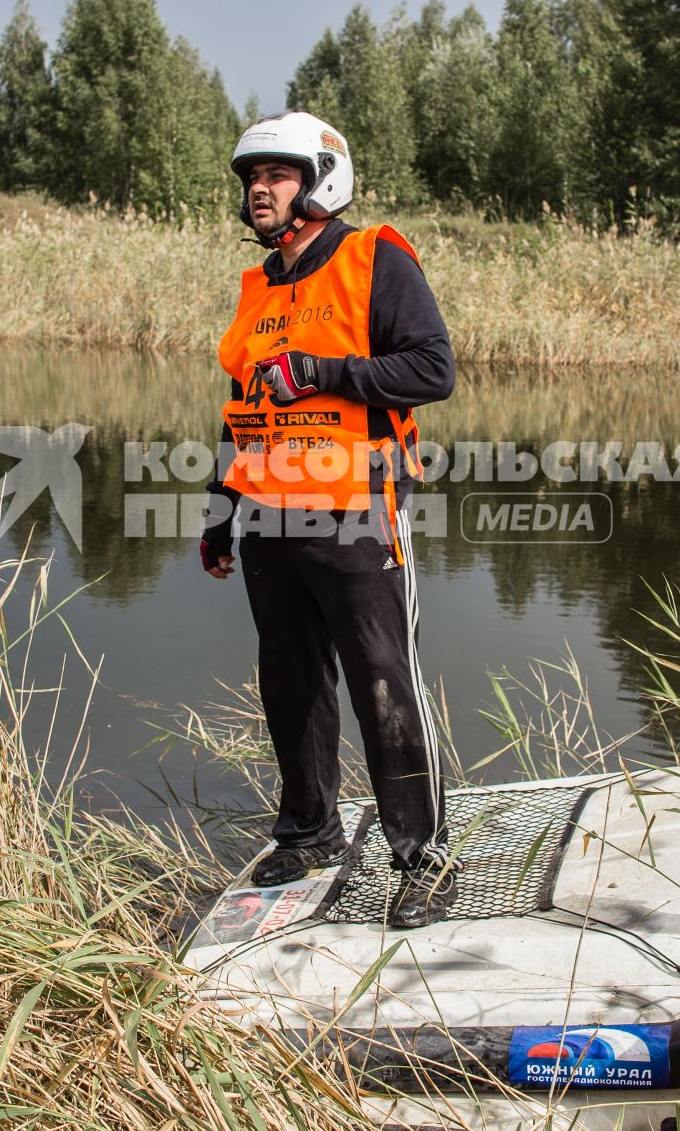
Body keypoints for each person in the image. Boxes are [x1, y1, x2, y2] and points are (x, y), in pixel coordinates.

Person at [201, 111, 457, 929]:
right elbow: (242, 409)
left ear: (320, 177)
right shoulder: (258, 286)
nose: (258, 190)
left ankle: (423, 859)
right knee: (292, 682)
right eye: (250, 178)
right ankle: (309, 830)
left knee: (384, 680)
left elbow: (431, 369)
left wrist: (321, 371)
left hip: (357, 511)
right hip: (270, 521)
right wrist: (219, 510)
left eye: (275, 174)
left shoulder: (373, 256)